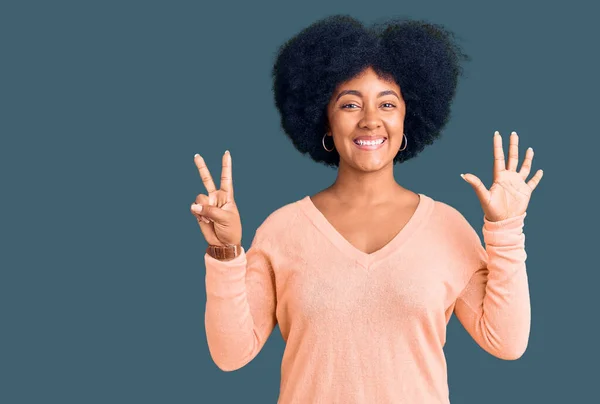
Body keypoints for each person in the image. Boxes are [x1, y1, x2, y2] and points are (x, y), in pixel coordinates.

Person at [190, 14, 544, 404]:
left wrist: (507, 229)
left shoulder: (446, 227)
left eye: (387, 103)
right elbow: (230, 355)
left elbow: (507, 342)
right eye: (350, 104)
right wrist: (225, 254)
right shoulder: (282, 230)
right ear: (324, 119)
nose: (371, 120)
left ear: (409, 115)